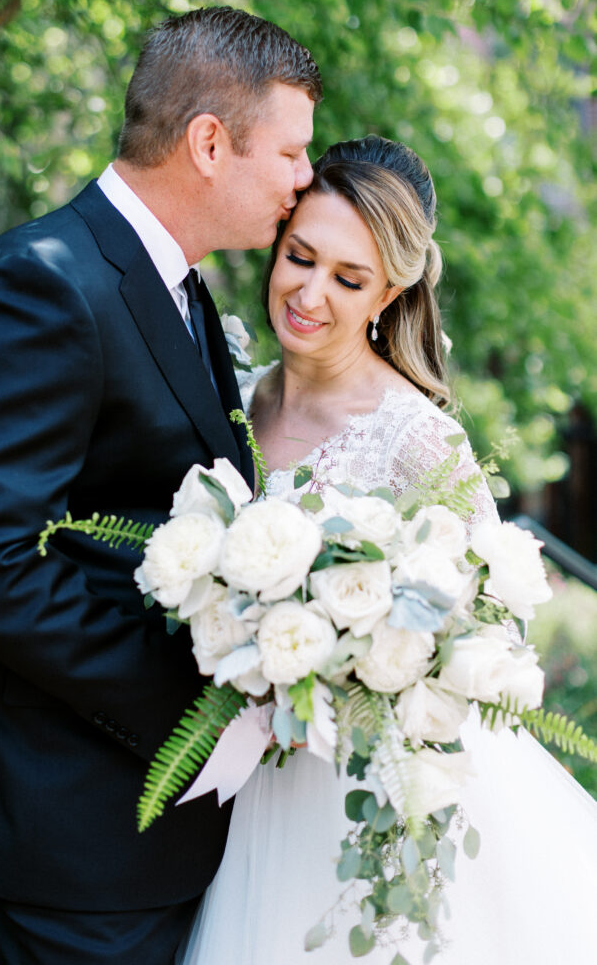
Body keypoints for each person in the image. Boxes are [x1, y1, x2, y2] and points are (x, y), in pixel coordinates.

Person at [0, 6, 322, 965]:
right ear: (210, 143)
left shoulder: (178, 283)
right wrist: (197, 721)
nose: (305, 180)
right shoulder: (42, 283)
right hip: (69, 827)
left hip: (145, 831)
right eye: (292, 153)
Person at [179, 136, 597, 965]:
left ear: (390, 291)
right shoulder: (229, 397)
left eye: (348, 278)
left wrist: (366, 664)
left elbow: (496, 639)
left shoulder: (417, 437)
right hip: (236, 784)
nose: (308, 293)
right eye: (300, 256)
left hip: (354, 794)